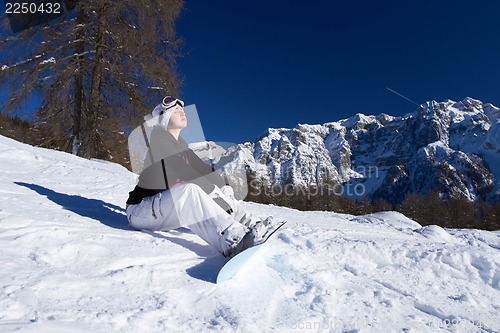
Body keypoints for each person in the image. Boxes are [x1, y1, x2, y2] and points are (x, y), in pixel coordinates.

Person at [126, 96, 275, 258]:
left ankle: (252, 225)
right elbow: (182, 171)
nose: (182, 112)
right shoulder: (159, 142)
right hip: (141, 210)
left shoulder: (182, 146)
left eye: (182, 109)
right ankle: (234, 240)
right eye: (175, 110)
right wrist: (211, 192)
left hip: (161, 210)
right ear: (164, 119)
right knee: (190, 190)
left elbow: (205, 172)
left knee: (222, 188)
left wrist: (224, 190)